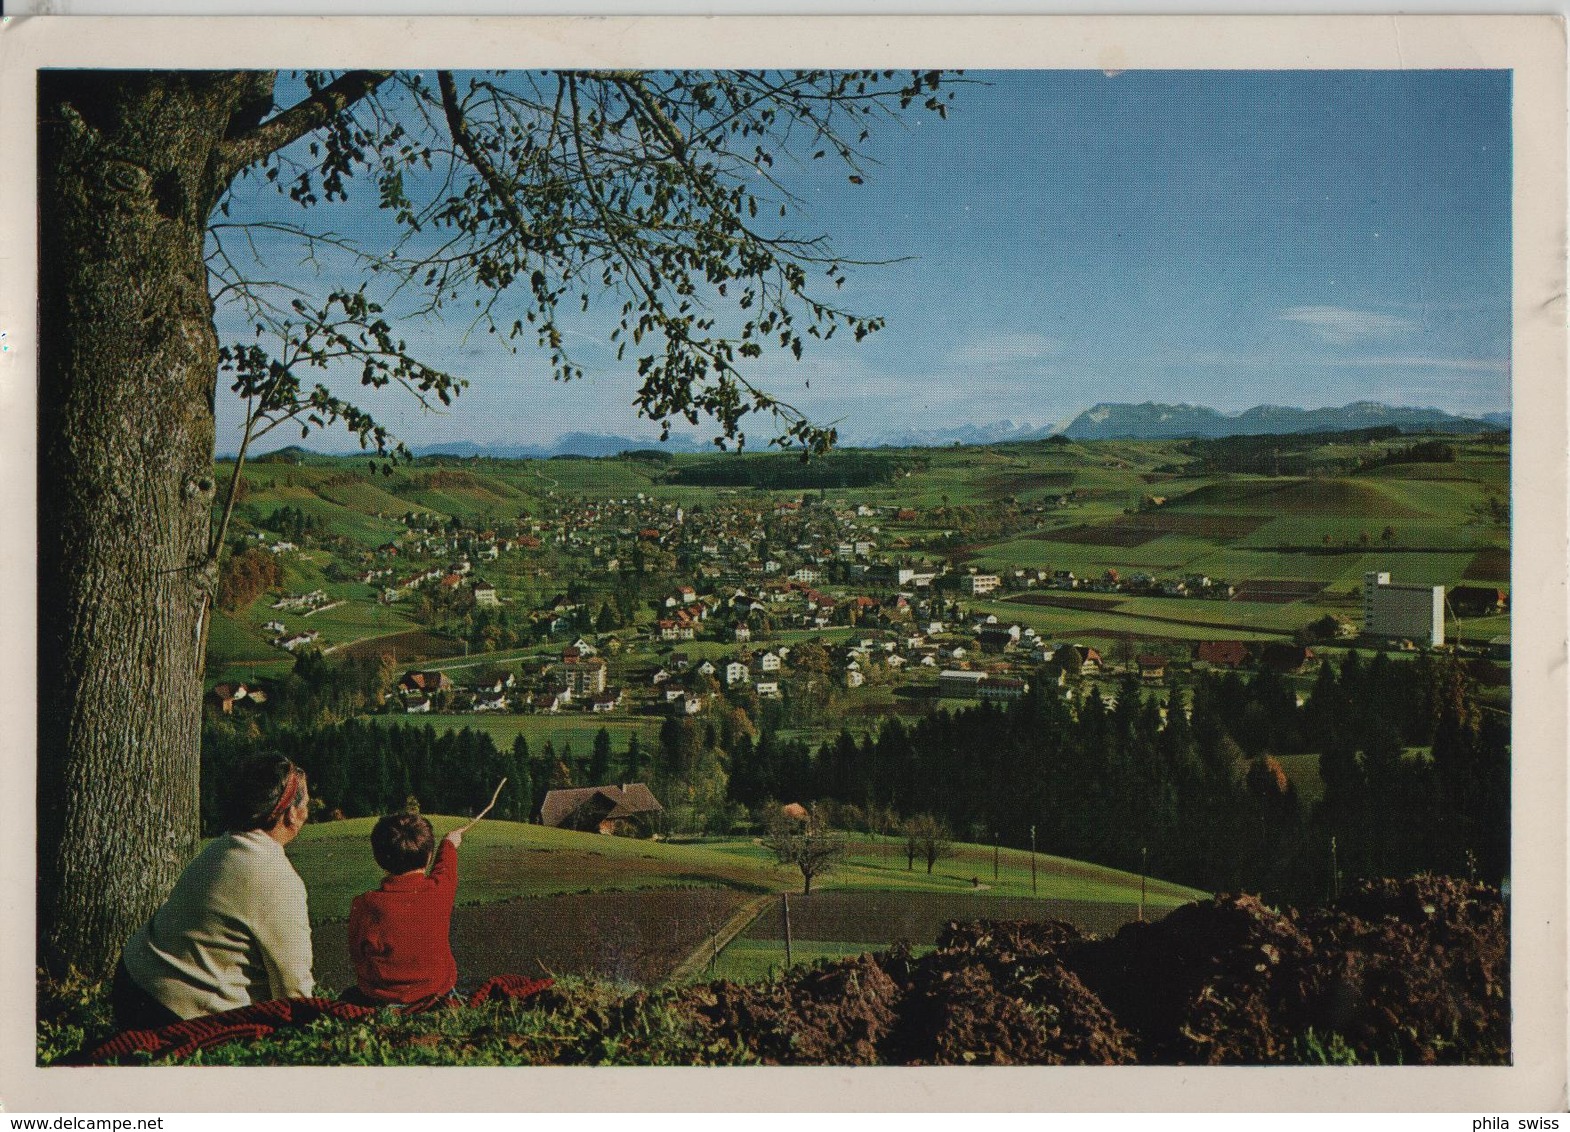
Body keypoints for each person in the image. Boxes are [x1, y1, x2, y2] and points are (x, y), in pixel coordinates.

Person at [113, 755, 314, 1029]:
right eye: (305, 801)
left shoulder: (221, 848)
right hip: (175, 1013)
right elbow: (294, 993)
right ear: (291, 813)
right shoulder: (279, 880)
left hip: (133, 980)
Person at [343, 811, 462, 1007]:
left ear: (379, 858)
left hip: (379, 1000)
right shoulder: (439, 890)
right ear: (429, 856)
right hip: (437, 996)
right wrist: (448, 843)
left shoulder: (363, 904)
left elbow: (358, 955)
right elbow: (445, 868)